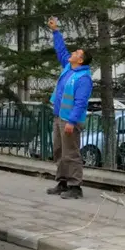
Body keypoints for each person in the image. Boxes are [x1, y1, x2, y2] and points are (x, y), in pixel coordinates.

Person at [45, 16, 92, 199]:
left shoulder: (83, 78)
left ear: (80, 61)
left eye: (77, 53)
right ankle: (62, 182)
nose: (72, 53)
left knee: (71, 153)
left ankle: (75, 186)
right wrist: (55, 31)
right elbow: (61, 50)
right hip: (59, 117)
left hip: (69, 120)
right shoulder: (69, 68)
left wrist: (71, 121)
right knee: (59, 151)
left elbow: (81, 103)